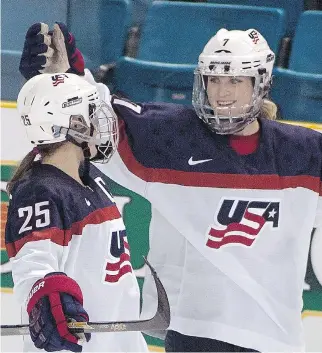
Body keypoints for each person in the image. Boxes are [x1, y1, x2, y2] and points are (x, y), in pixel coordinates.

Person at [19, 23, 322, 352]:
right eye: (214, 79)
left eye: (235, 79)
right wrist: (67, 77)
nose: (222, 92)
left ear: (261, 82)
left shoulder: (303, 153)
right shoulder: (173, 139)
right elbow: (94, 118)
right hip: (192, 332)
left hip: (276, 341)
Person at [5, 72, 148, 352]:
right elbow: (33, 266)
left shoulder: (90, 177)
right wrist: (45, 295)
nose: (101, 122)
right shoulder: (39, 191)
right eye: (93, 113)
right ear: (76, 124)